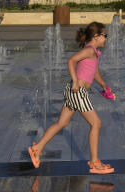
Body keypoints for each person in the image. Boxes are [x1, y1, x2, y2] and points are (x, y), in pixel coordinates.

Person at [28, 21, 115, 174]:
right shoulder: (89, 50)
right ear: (96, 36)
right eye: (105, 35)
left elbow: (94, 72)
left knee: (62, 122)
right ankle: (94, 162)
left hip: (74, 92)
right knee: (96, 124)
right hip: (78, 91)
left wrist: (103, 85)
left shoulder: (93, 52)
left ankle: (37, 148)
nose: (106, 38)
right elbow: (71, 60)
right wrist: (75, 81)